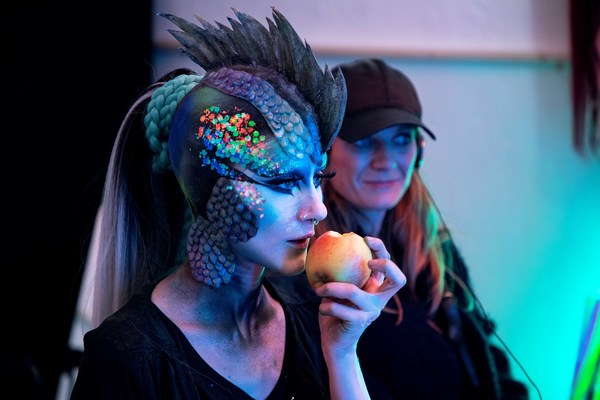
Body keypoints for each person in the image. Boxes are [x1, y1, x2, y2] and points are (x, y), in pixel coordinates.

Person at [69, 10, 406, 400]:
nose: (318, 209)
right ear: (207, 189)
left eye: (317, 178)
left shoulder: (312, 313)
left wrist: (342, 353)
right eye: (282, 182)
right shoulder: (128, 359)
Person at [286, 58, 531, 399]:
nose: (386, 161)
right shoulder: (300, 271)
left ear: (419, 154)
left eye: (402, 139)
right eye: (365, 141)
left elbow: (489, 365)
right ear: (324, 153)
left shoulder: (435, 253)